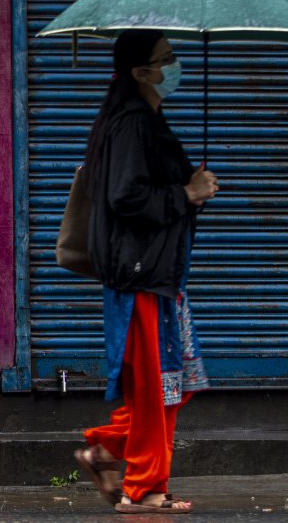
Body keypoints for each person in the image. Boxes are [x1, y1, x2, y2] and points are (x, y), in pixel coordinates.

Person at [72, 29, 218, 515]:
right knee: (159, 388)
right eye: (166, 59)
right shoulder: (133, 123)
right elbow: (125, 197)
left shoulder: (147, 121)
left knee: (171, 387)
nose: (173, 66)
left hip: (159, 275)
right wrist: (187, 194)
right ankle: (143, 488)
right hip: (142, 277)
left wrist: (190, 185)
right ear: (141, 72)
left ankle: (107, 450)